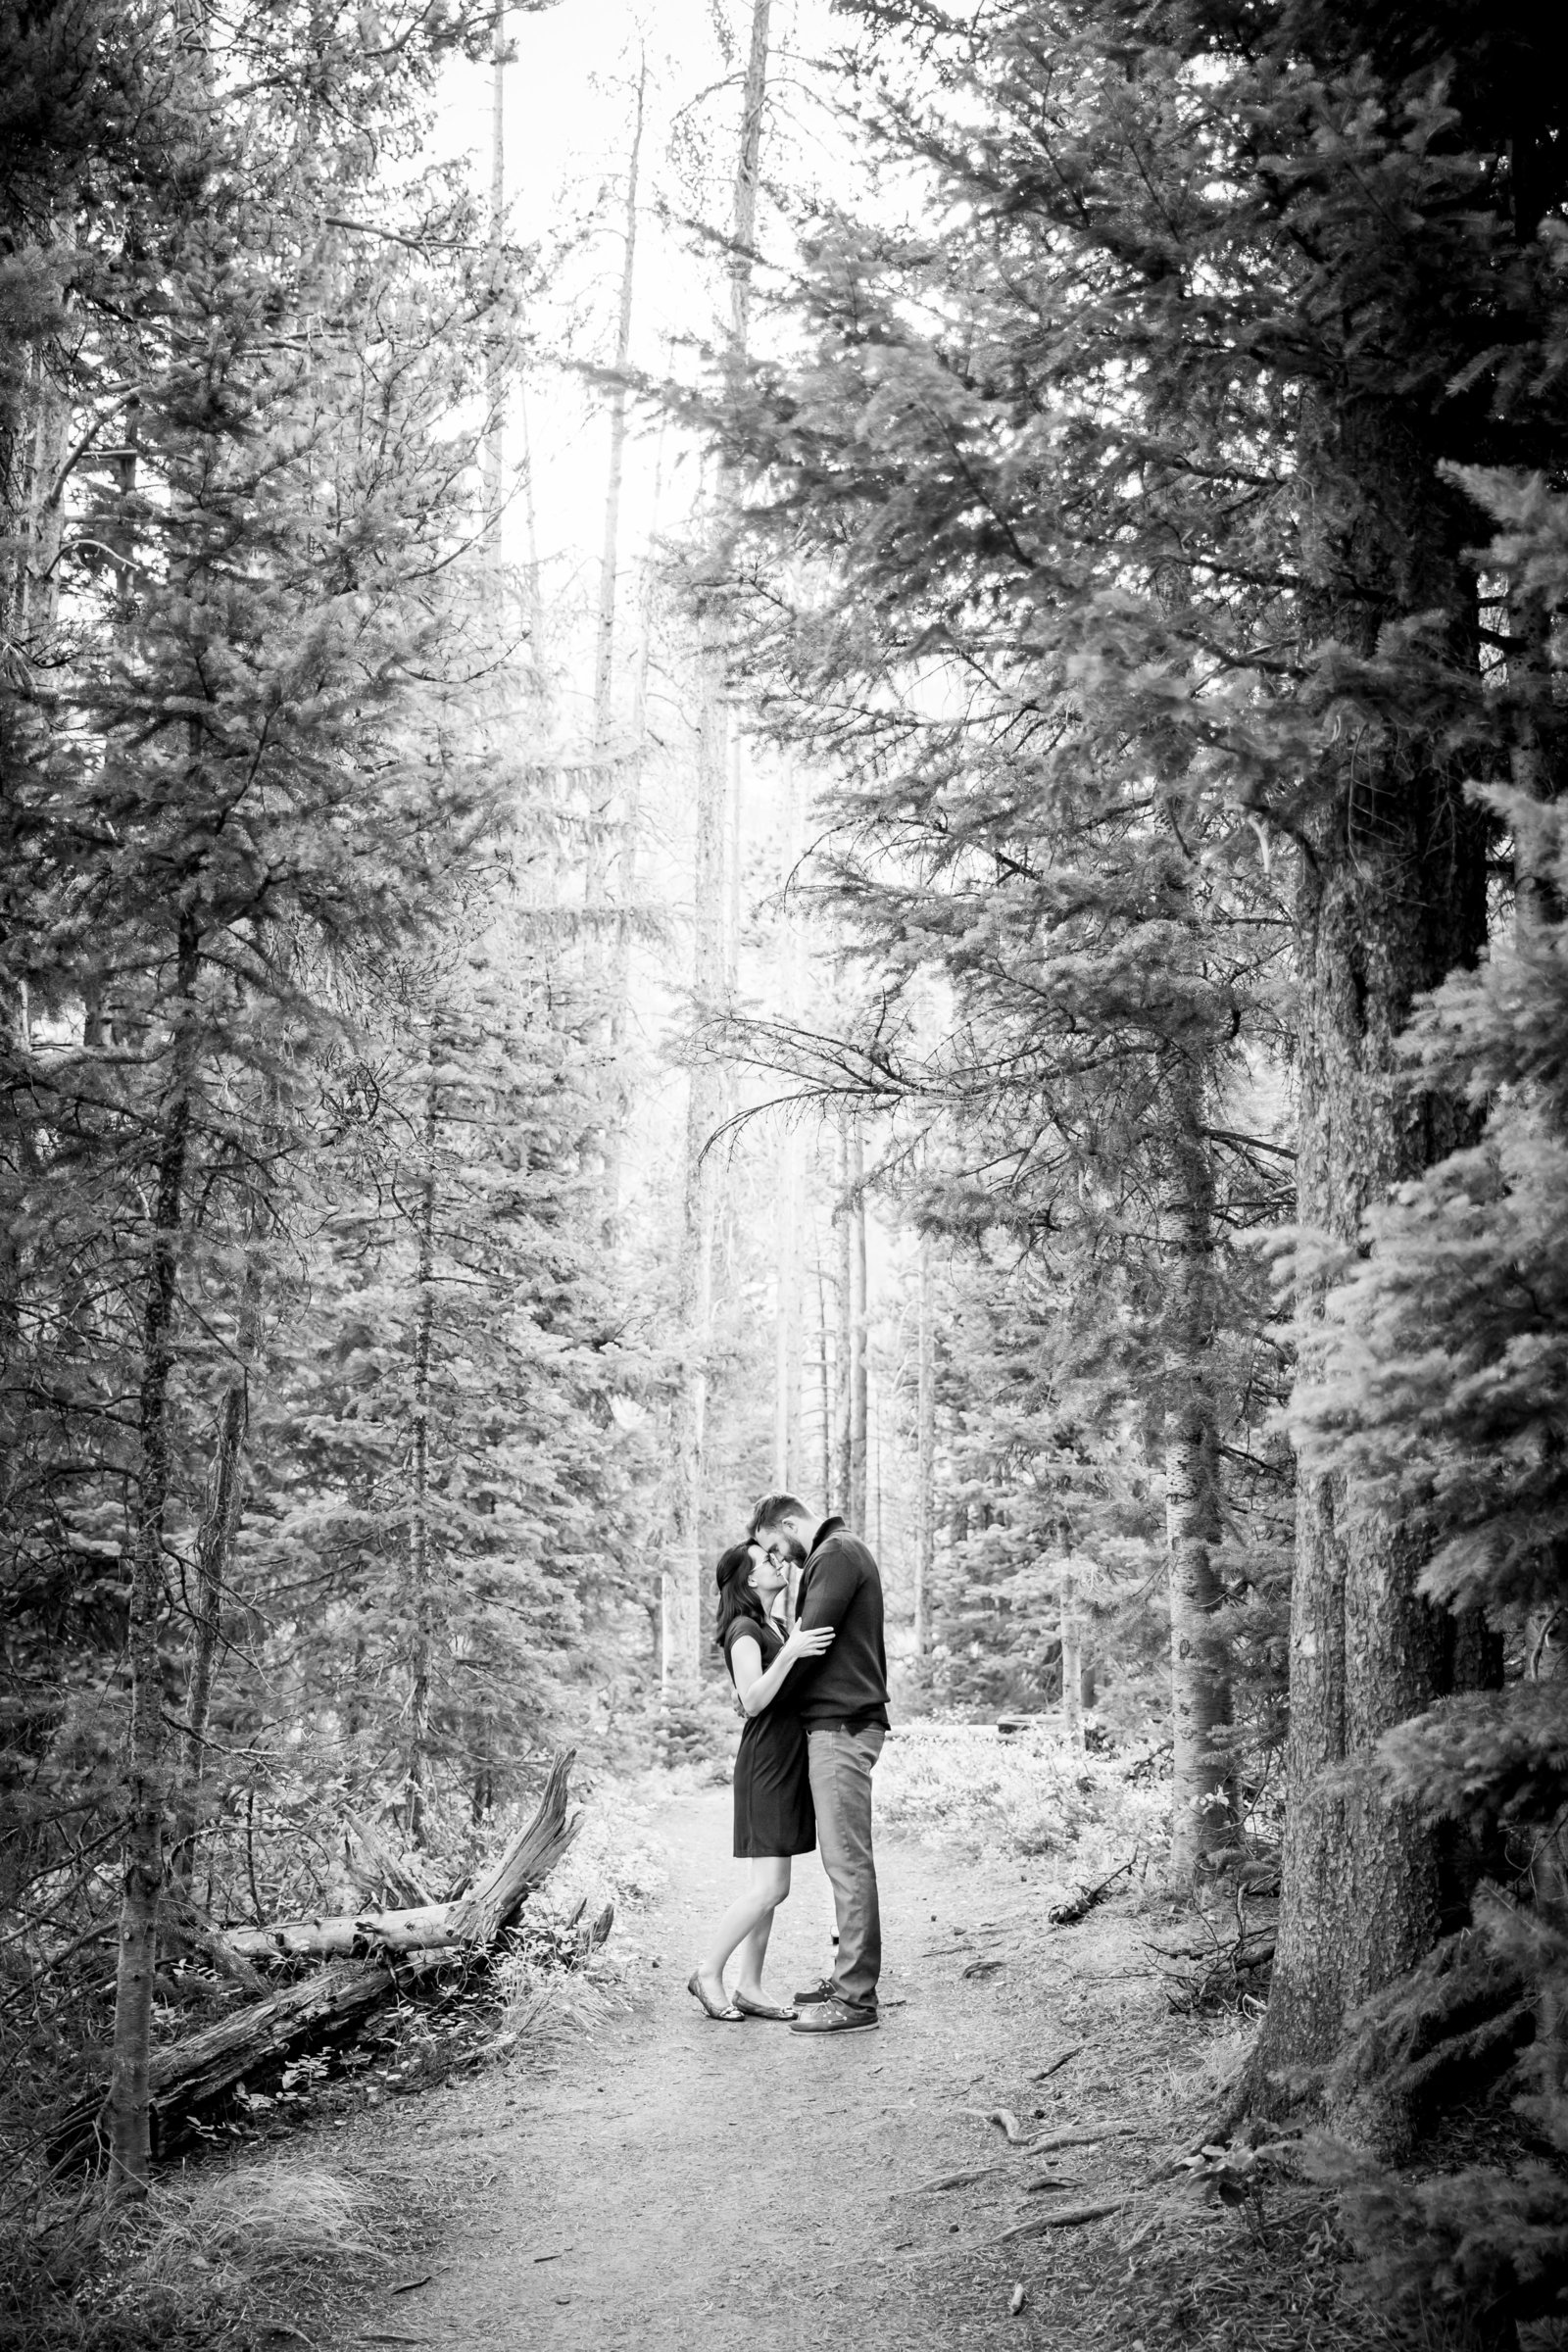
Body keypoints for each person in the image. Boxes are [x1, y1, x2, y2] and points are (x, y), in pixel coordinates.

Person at [747, 1493, 889, 2035]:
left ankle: (856, 1999)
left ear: (787, 1524)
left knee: (848, 1864)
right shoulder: (838, 1553)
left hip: (840, 1728)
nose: (778, 1560)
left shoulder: (834, 1553)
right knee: (844, 1863)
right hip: (837, 1725)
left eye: (775, 1549)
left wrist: (765, 1701)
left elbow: (812, 1647)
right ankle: (848, 1978)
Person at [687, 1538, 833, 2024]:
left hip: (785, 1760)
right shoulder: (745, 1628)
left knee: (771, 1887)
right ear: (749, 1579)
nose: (778, 1562)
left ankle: (749, 1986)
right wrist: (789, 1653)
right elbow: (751, 1700)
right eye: (767, 1560)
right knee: (769, 1889)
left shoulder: (774, 1624)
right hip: (766, 1764)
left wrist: (789, 1650)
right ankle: (708, 1972)